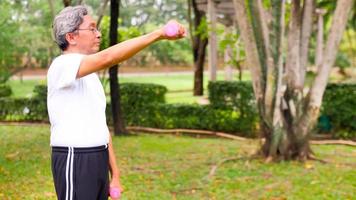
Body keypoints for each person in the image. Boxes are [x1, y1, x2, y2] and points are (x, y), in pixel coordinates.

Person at [48, 5, 185, 200]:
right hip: (74, 158)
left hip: (98, 157)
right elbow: (109, 57)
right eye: (92, 28)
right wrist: (158, 34)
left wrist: (116, 175)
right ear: (71, 37)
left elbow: (100, 127)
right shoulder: (62, 66)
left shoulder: (90, 76)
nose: (98, 34)